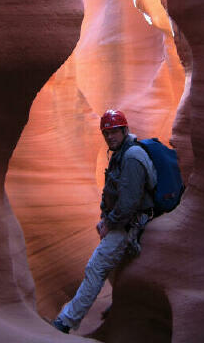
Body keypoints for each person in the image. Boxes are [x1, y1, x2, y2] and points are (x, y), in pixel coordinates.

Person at [48, 109, 157, 334]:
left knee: (96, 267)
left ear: (124, 130)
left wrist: (110, 222)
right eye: (106, 133)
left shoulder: (132, 157)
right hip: (122, 220)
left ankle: (66, 322)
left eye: (114, 131)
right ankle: (123, 306)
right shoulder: (122, 153)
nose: (110, 137)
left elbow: (128, 203)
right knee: (113, 267)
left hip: (130, 223)